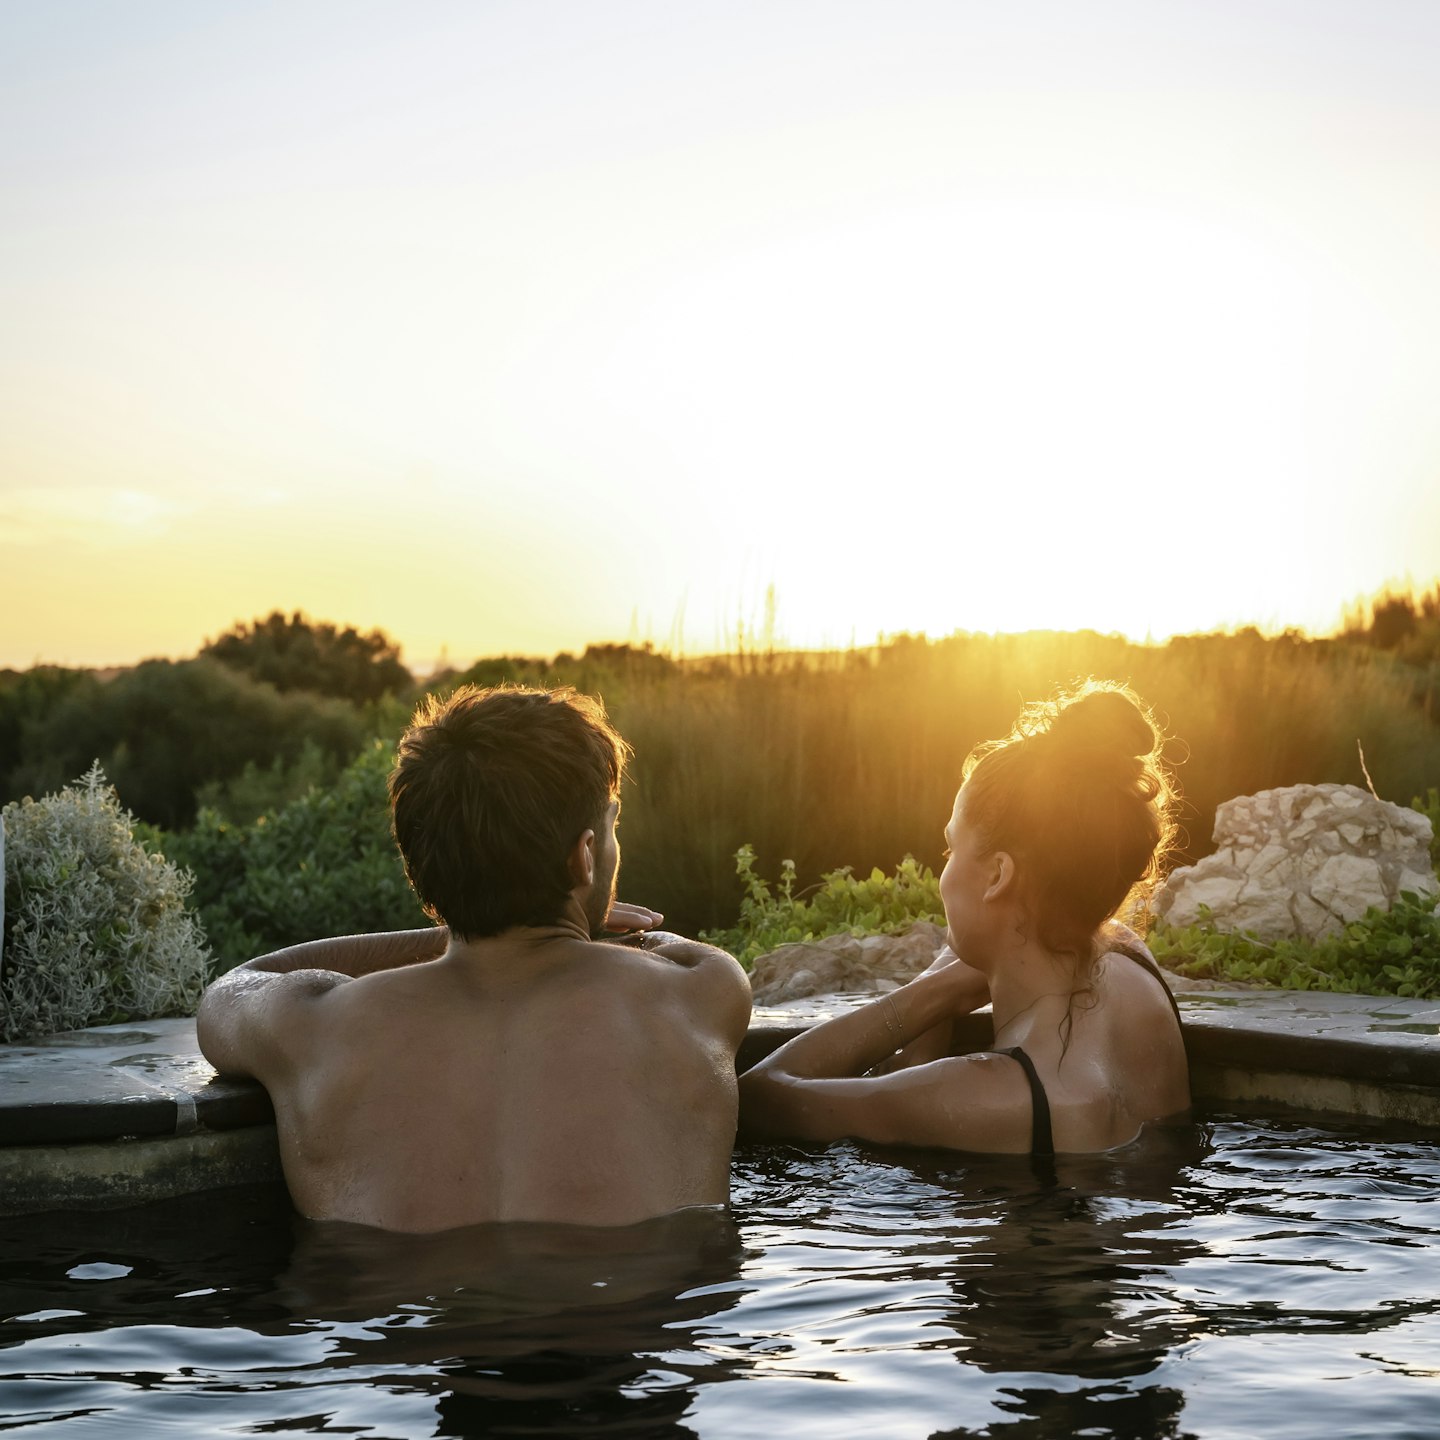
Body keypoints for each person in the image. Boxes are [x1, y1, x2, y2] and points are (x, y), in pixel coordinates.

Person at [197, 684, 751, 1233]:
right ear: (584, 858)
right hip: (631, 1311)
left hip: (396, 1319)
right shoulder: (697, 993)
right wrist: (587, 923)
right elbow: (667, 950)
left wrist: (458, 924)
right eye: (611, 830)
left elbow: (236, 985)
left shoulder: (315, 1028)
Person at [738, 681, 1188, 1156]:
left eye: (953, 848)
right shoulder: (1129, 958)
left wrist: (935, 995)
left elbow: (757, 1098)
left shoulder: (980, 1095)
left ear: (997, 876)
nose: (944, 872)